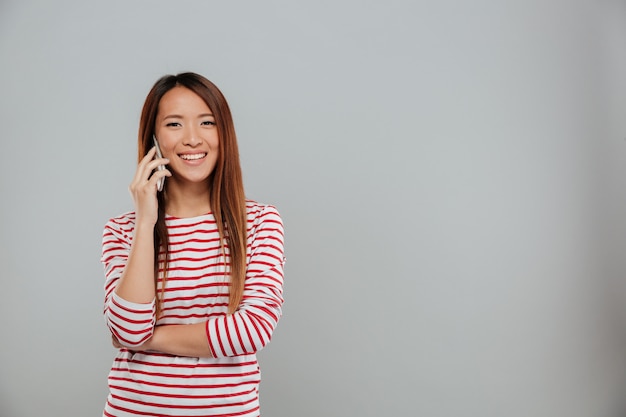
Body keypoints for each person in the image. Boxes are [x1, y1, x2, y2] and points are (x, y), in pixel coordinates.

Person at [100, 72, 285, 417]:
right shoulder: (123, 230)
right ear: (154, 137)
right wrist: (145, 221)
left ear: (223, 133)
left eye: (206, 122)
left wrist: (147, 339)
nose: (192, 139)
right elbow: (127, 326)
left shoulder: (259, 222)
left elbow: (252, 329)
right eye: (174, 124)